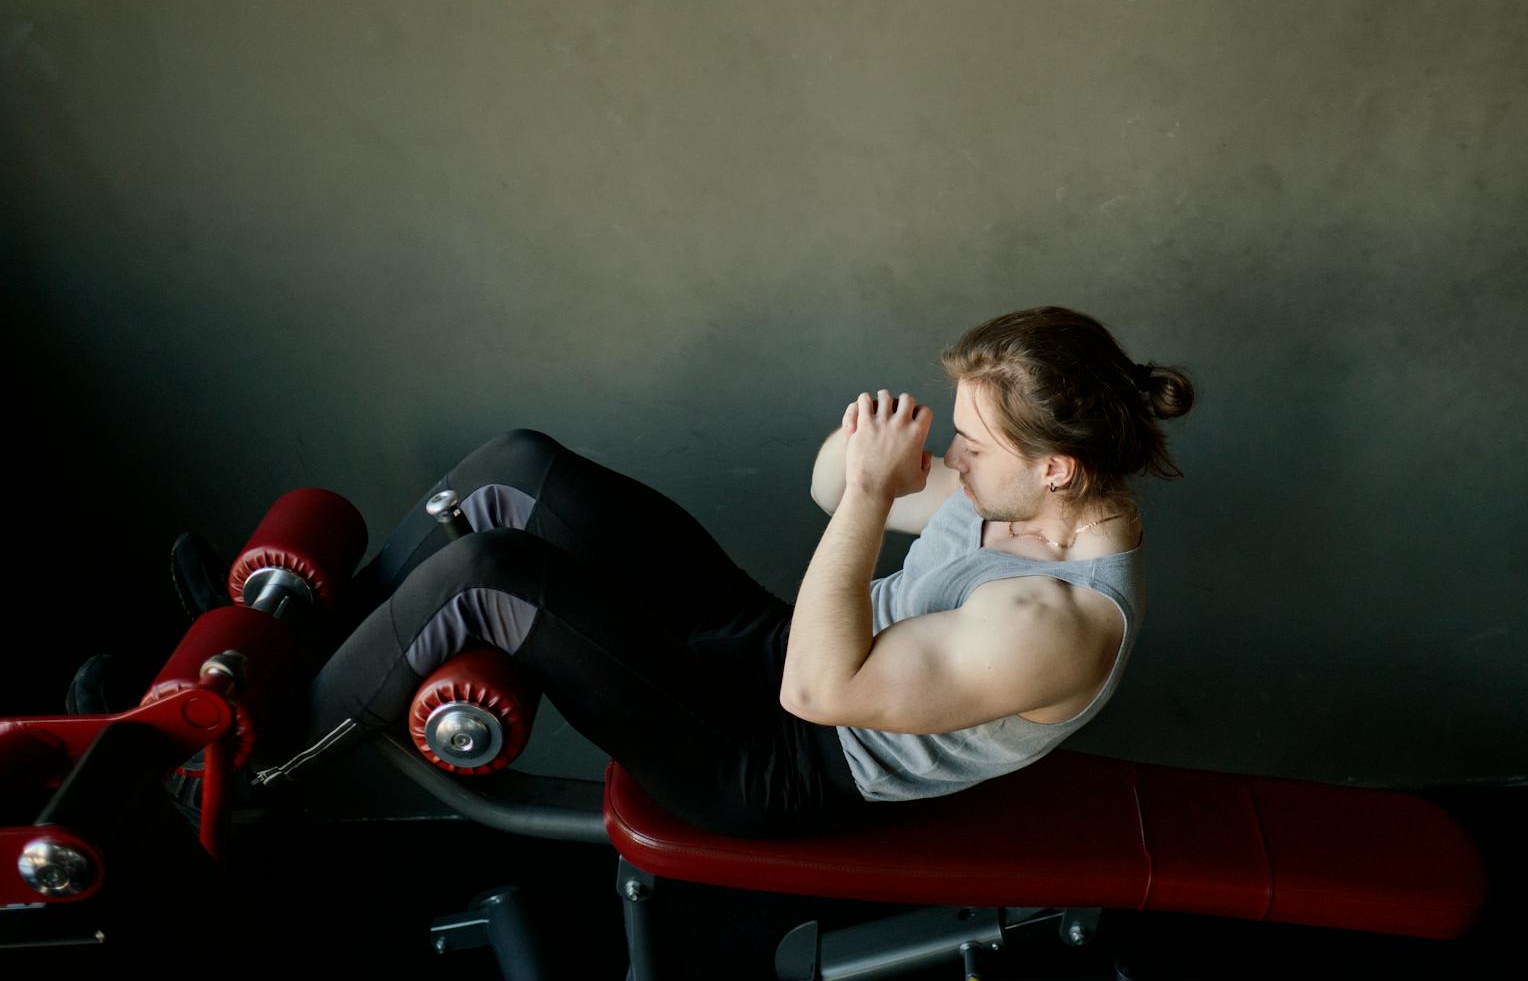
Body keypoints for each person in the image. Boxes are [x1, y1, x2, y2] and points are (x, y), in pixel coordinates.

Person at [249, 305, 1193, 837]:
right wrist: (869, 461)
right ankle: (285, 657)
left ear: (1055, 466)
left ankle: (254, 756)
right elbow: (831, 486)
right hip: (776, 647)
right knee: (518, 471)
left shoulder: (1057, 624)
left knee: (490, 574)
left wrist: (875, 496)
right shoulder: (1018, 492)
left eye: (972, 442)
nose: (956, 454)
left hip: (775, 760)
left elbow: (820, 688)